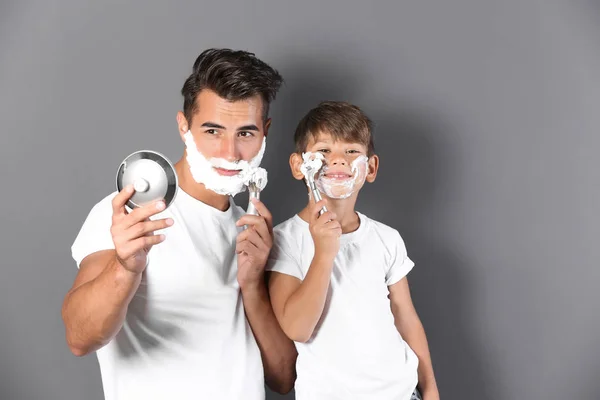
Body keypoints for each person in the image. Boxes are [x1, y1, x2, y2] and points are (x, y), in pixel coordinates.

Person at [61, 48, 297, 400]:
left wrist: (252, 286)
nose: (230, 153)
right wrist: (125, 267)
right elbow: (80, 338)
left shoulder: (255, 231)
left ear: (265, 132)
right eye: (213, 131)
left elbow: (283, 379)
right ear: (184, 127)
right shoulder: (133, 214)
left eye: (245, 133)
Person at [266, 101, 440, 400]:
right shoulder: (285, 240)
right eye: (323, 151)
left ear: (370, 167)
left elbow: (405, 316)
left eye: (351, 151)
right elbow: (298, 328)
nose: (338, 161)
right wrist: (324, 252)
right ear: (299, 165)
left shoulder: (386, 238)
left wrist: (431, 390)